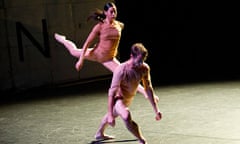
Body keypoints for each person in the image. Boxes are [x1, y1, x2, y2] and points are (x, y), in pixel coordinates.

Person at [54, 2, 158, 101]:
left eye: (115, 11)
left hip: (109, 59)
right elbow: (87, 43)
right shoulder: (100, 27)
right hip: (97, 54)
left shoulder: (119, 25)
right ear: (105, 12)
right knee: (73, 51)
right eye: (111, 11)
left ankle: (145, 93)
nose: (113, 14)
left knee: (125, 75)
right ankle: (63, 40)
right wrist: (80, 60)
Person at [94, 43, 162, 144]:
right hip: (118, 98)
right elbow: (111, 93)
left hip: (128, 98)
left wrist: (156, 110)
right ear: (132, 56)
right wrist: (110, 115)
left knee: (115, 113)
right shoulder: (121, 70)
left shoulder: (144, 68)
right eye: (139, 60)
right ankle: (141, 140)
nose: (140, 63)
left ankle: (99, 134)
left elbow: (148, 88)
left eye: (142, 60)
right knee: (126, 115)